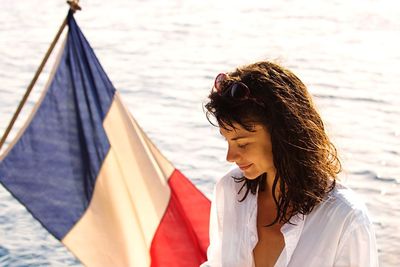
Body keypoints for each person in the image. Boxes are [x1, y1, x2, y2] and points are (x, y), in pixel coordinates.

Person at [200, 61, 379, 267]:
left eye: (243, 143)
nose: (230, 156)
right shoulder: (231, 190)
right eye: (228, 141)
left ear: (283, 135)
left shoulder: (345, 218)